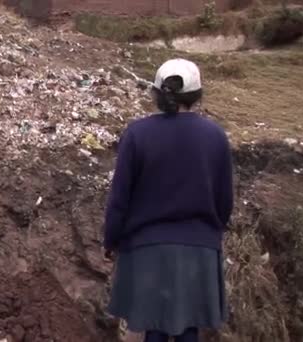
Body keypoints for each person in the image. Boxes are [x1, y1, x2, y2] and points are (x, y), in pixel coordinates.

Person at [104, 59, 233, 342]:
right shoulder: (215, 136)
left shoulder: (138, 134)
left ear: (157, 93)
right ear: (197, 95)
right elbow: (225, 202)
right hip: (200, 248)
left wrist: (111, 240)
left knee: (155, 328)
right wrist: (209, 234)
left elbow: (120, 199)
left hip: (147, 248)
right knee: (189, 329)